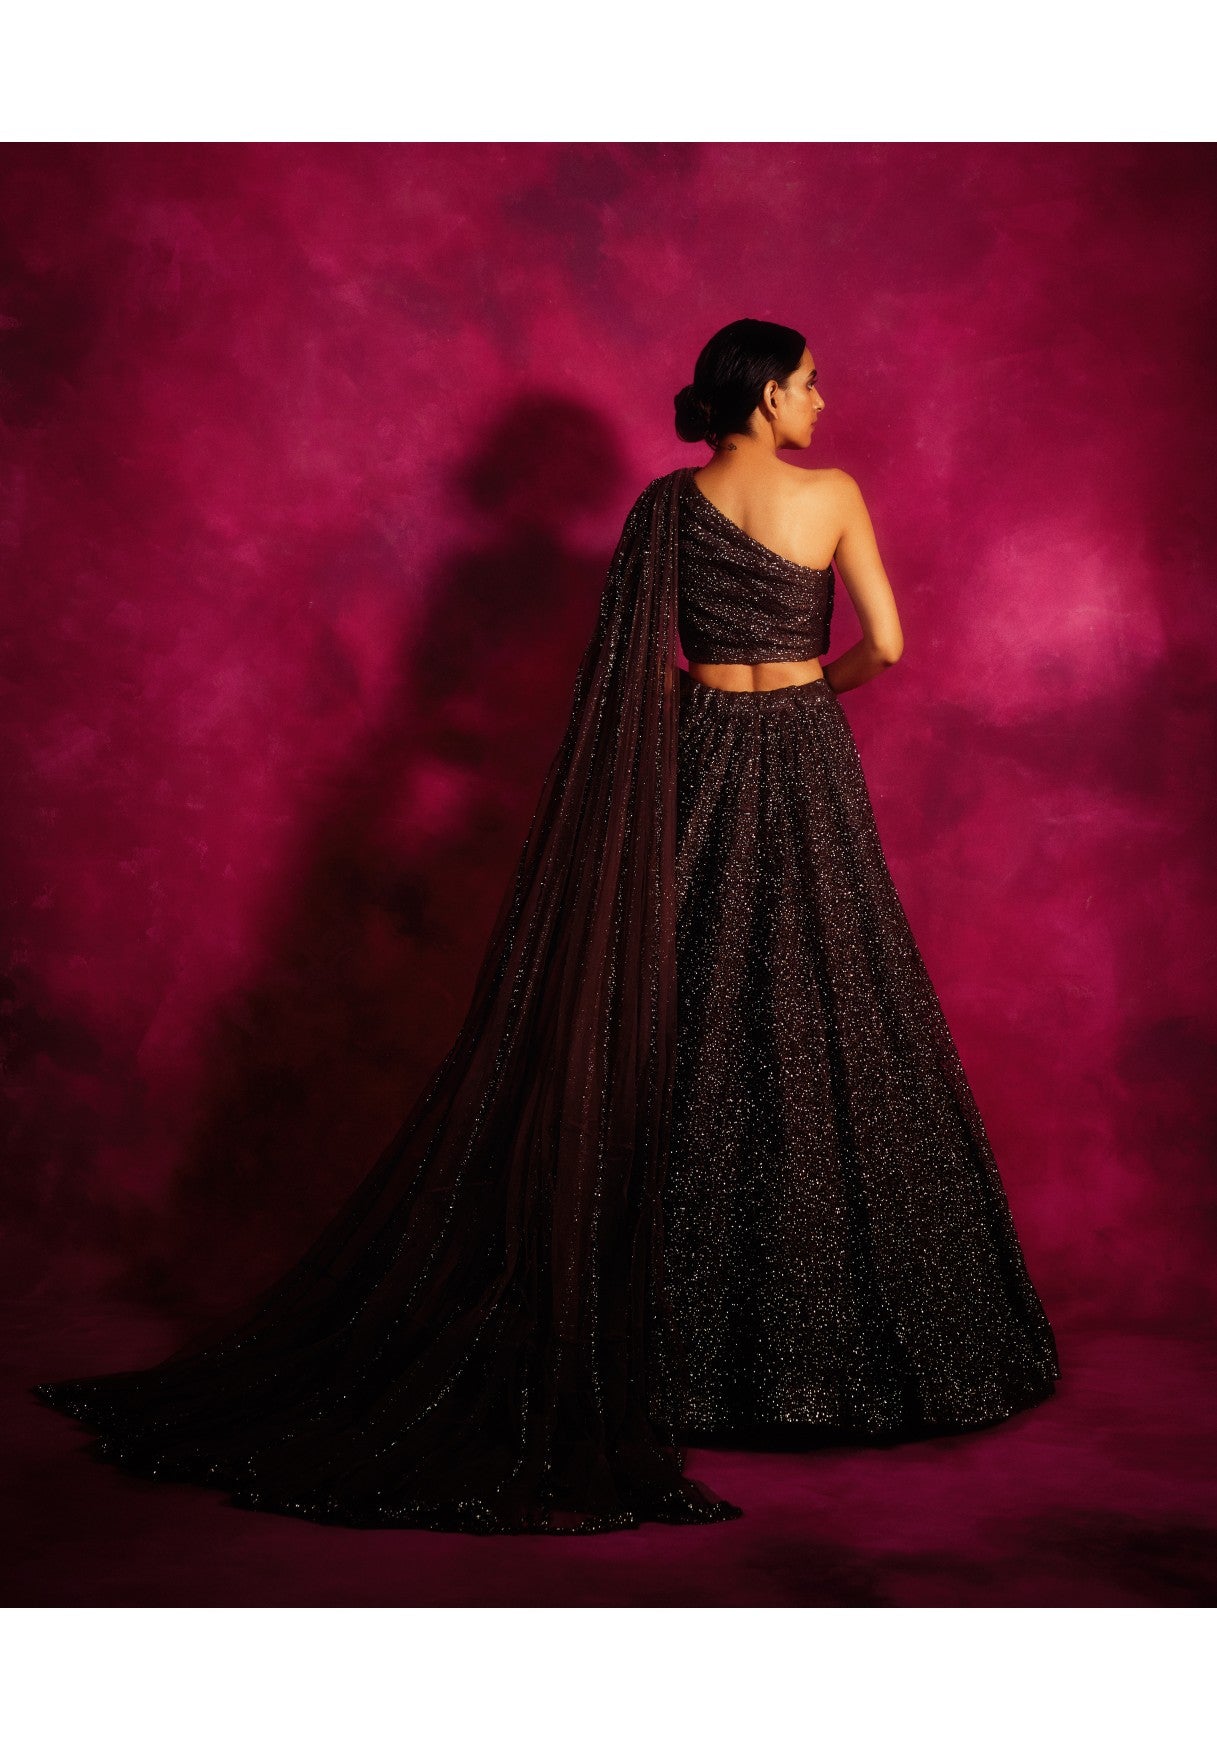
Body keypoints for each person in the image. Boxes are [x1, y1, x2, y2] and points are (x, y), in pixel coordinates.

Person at [32, 317, 1059, 1534]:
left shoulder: (662, 511)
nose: (821, 401)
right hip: (801, 758)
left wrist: (710, 702)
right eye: (809, 383)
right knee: (819, 1005)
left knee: (677, 1008)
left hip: (694, 757)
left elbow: (618, 679)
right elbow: (884, 645)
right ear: (765, 395)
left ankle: (668, 1346)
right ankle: (810, 1348)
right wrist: (807, 697)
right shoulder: (830, 495)